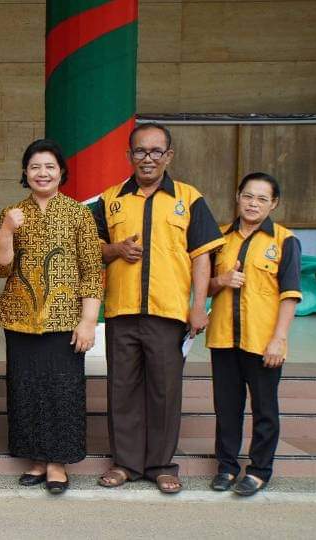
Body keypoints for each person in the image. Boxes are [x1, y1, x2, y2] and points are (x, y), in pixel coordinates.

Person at [91, 122, 225, 494]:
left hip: (168, 314)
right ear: (128, 155)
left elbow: (202, 258)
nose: (147, 158)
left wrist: (199, 307)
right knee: (122, 388)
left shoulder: (189, 198)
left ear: (168, 156)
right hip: (121, 312)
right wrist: (116, 250)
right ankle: (125, 463)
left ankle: (162, 465)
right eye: (140, 151)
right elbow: (92, 250)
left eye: (155, 152)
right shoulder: (111, 198)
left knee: (165, 391)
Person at [0, 139, 102, 495]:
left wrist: (88, 320)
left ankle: (57, 463)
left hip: (65, 319)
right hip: (21, 317)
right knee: (26, 389)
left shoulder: (79, 213)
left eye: (49, 166)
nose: (42, 173)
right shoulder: (12, 211)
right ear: (25, 172)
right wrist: (6, 229)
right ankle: (36, 458)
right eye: (35, 166)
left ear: (61, 173)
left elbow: (93, 270)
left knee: (62, 390)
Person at [206, 172, 301, 496]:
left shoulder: (285, 241)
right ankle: (227, 467)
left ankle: (260, 470)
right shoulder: (219, 238)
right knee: (226, 408)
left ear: (273, 204)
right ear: (237, 196)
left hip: (262, 343)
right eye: (248, 196)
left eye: (262, 198)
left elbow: (289, 294)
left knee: (264, 409)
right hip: (223, 339)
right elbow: (202, 285)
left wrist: (279, 338)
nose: (253, 203)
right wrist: (222, 281)